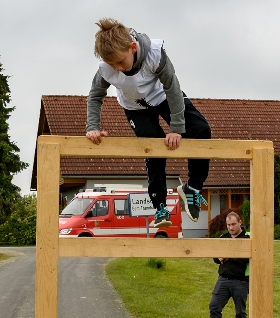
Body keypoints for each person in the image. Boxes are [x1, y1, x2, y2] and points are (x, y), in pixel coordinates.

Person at [85, 18, 211, 226]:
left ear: (133, 48)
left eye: (120, 62)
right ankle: (160, 206)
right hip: (135, 108)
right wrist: (93, 127)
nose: (118, 68)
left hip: (163, 97)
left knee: (201, 130)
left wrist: (176, 128)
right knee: (153, 146)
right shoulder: (106, 69)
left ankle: (192, 188)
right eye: (112, 65)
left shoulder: (154, 54)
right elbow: (95, 96)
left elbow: (172, 87)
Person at [210, 210, 250, 318]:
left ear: (240, 222)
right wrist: (219, 258)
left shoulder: (247, 238)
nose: (231, 227)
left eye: (233, 224)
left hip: (240, 280)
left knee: (240, 312)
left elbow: (245, 258)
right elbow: (215, 257)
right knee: (214, 307)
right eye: (228, 225)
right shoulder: (224, 238)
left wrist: (229, 257)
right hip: (223, 279)